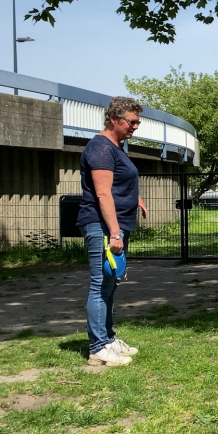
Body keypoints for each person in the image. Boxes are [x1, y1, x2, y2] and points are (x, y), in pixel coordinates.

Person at [76, 96, 149, 366]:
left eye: (137, 122)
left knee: (110, 282)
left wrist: (135, 199)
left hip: (115, 224)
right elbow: (103, 194)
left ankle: (107, 338)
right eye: (131, 121)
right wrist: (115, 233)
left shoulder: (116, 147)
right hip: (102, 225)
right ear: (114, 119)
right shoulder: (100, 148)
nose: (135, 126)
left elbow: (120, 184)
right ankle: (97, 347)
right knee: (100, 285)